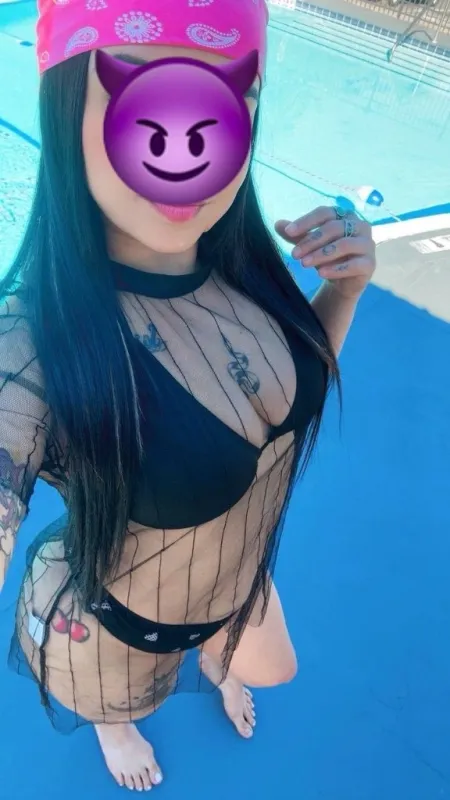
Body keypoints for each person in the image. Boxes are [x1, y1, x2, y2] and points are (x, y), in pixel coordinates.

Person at [0, 0, 376, 791]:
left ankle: (213, 656)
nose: (185, 139)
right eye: (139, 83)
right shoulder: (32, 334)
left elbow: (277, 398)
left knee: (274, 667)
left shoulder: (245, 276)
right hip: (114, 625)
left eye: (232, 92)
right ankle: (114, 727)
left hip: (237, 577)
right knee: (120, 700)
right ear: (67, 103)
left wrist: (342, 292)